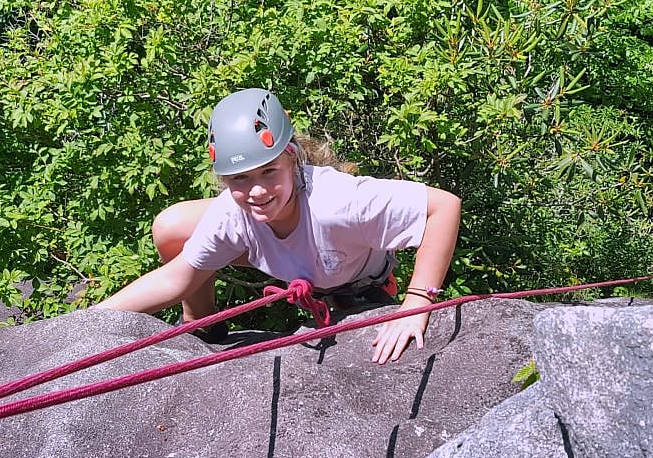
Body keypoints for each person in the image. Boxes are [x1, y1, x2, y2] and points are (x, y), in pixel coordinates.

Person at [97, 88, 461, 366]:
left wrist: (418, 302)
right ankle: (202, 321)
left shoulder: (340, 202)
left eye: (268, 171)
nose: (256, 190)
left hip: (353, 277)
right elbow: (175, 278)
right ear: (223, 179)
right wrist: (91, 321)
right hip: (293, 258)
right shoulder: (233, 211)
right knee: (173, 227)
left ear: (292, 157)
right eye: (239, 178)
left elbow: (443, 207)